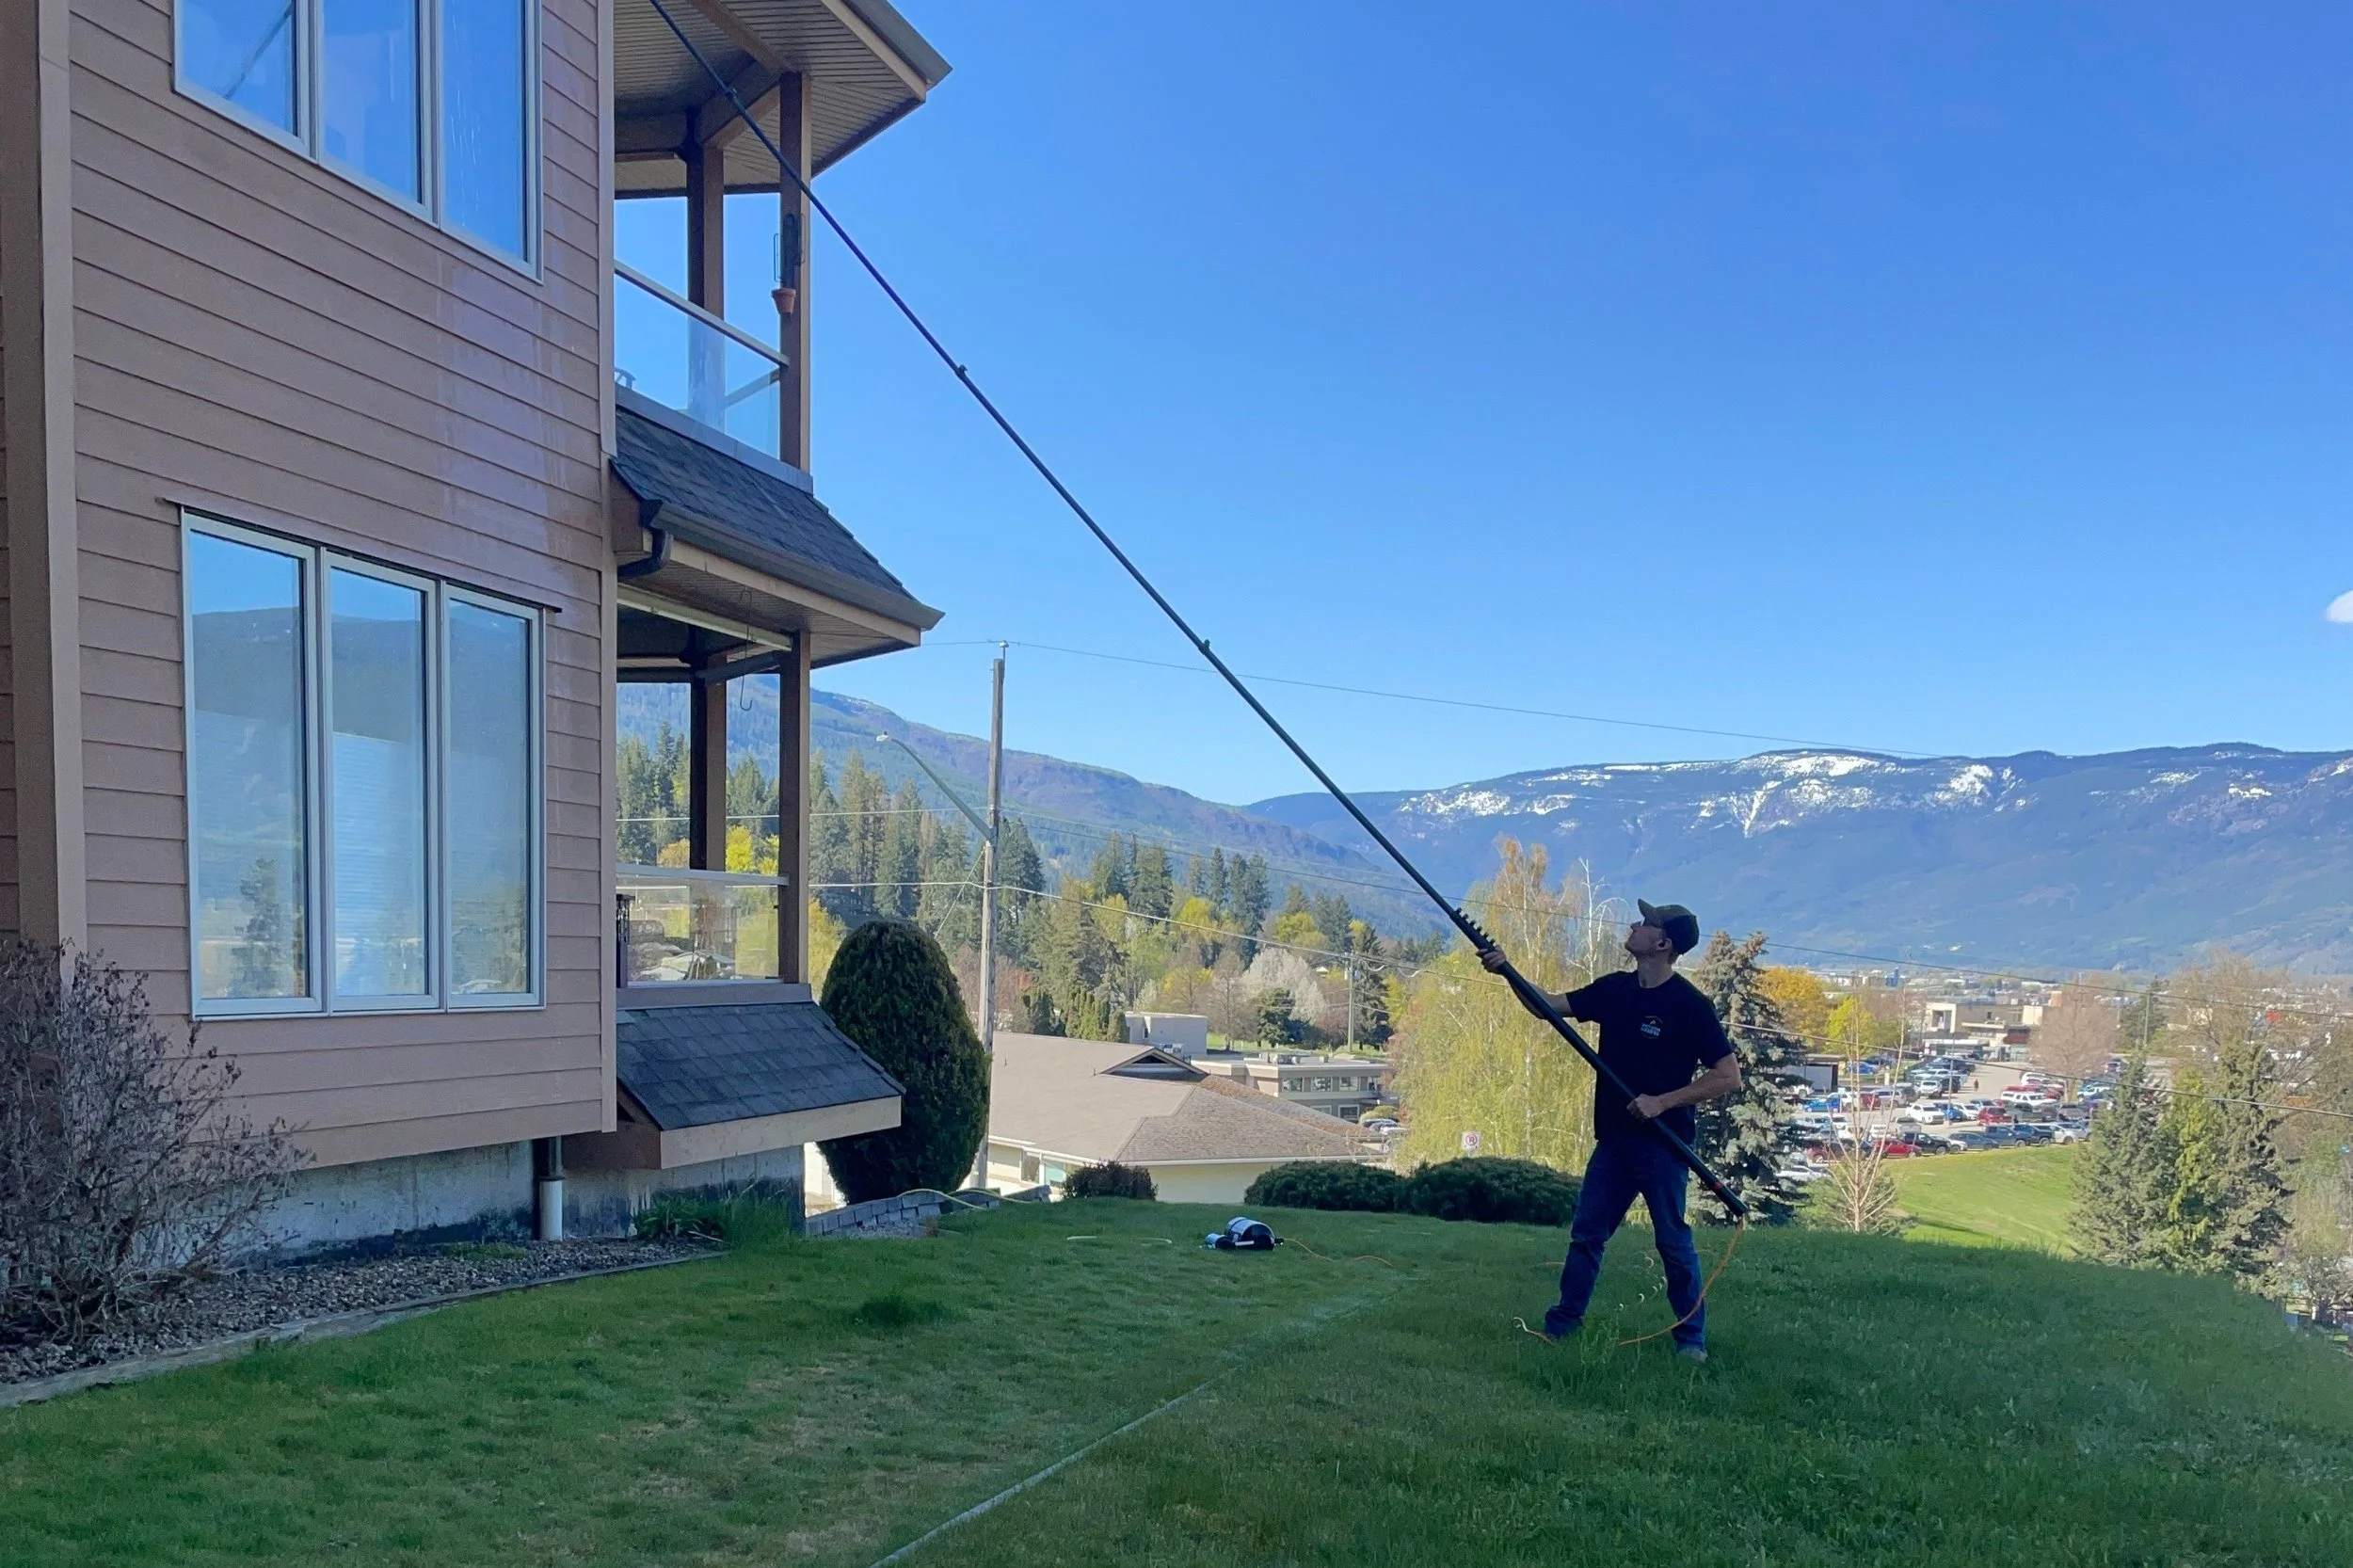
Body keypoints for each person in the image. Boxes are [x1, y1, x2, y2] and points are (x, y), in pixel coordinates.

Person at [1480, 900, 1740, 1362]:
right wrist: (1508, 972)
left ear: (1662, 943)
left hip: (1664, 1145)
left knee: (1673, 1245)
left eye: (1645, 923)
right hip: (1615, 1142)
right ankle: (1562, 1326)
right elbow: (1548, 1008)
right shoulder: (1615, 990)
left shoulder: (1689, 1005)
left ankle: (1691, 1341)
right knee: (1587, 1236)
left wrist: (1662, 1101)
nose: (1634, 926)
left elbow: (1727, 1076)